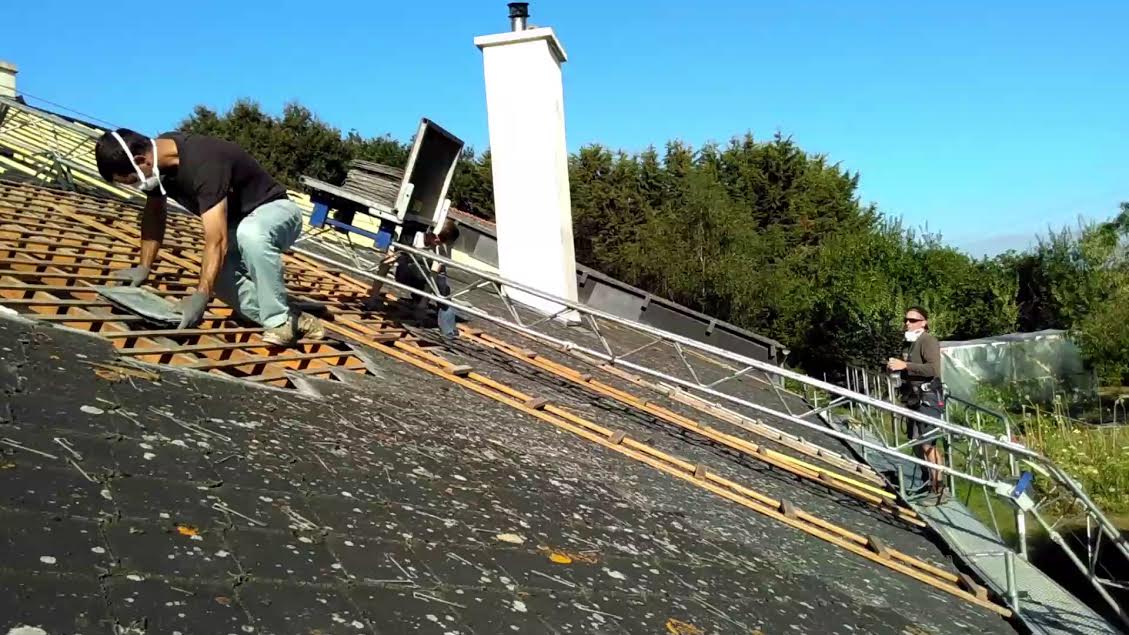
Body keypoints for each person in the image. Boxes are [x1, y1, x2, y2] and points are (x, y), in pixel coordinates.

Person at [94, 128, 324, 346]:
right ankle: (296, 318)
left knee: (251, 235)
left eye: (133, 180)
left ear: (141, 160)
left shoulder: (204, 162)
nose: (136, 185)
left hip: (276, 212)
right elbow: (155, 212)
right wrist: (144, 267)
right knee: (220, 281)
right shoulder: (159, 163)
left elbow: (217, 239)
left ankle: (279, 321)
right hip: (235, 226)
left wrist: (201, 295)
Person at [887, 306, 946, 498]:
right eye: (906, 320)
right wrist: (895, 370)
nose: (907, 323)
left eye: (912, 320)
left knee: (928, 443)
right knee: (916, 443)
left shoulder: (927, 341)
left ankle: (938, 489)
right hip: (914, 398)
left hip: (928, 398)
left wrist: (906, 365)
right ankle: (926, 480)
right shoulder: (910, 343)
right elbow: (910, 368)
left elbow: (933, 370)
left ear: (924, 322)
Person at [392, 219, 460, 339]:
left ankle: (448, 328)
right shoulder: (413, 235)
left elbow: (437, 272)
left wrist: (424, 302)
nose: (441, 243)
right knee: (431, 277)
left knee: (443, 287)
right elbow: (395, 256)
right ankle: (420, 302)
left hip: (428, 276)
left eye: (445, 241)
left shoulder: (441, 248)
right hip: (407, 271)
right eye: (441, 239)